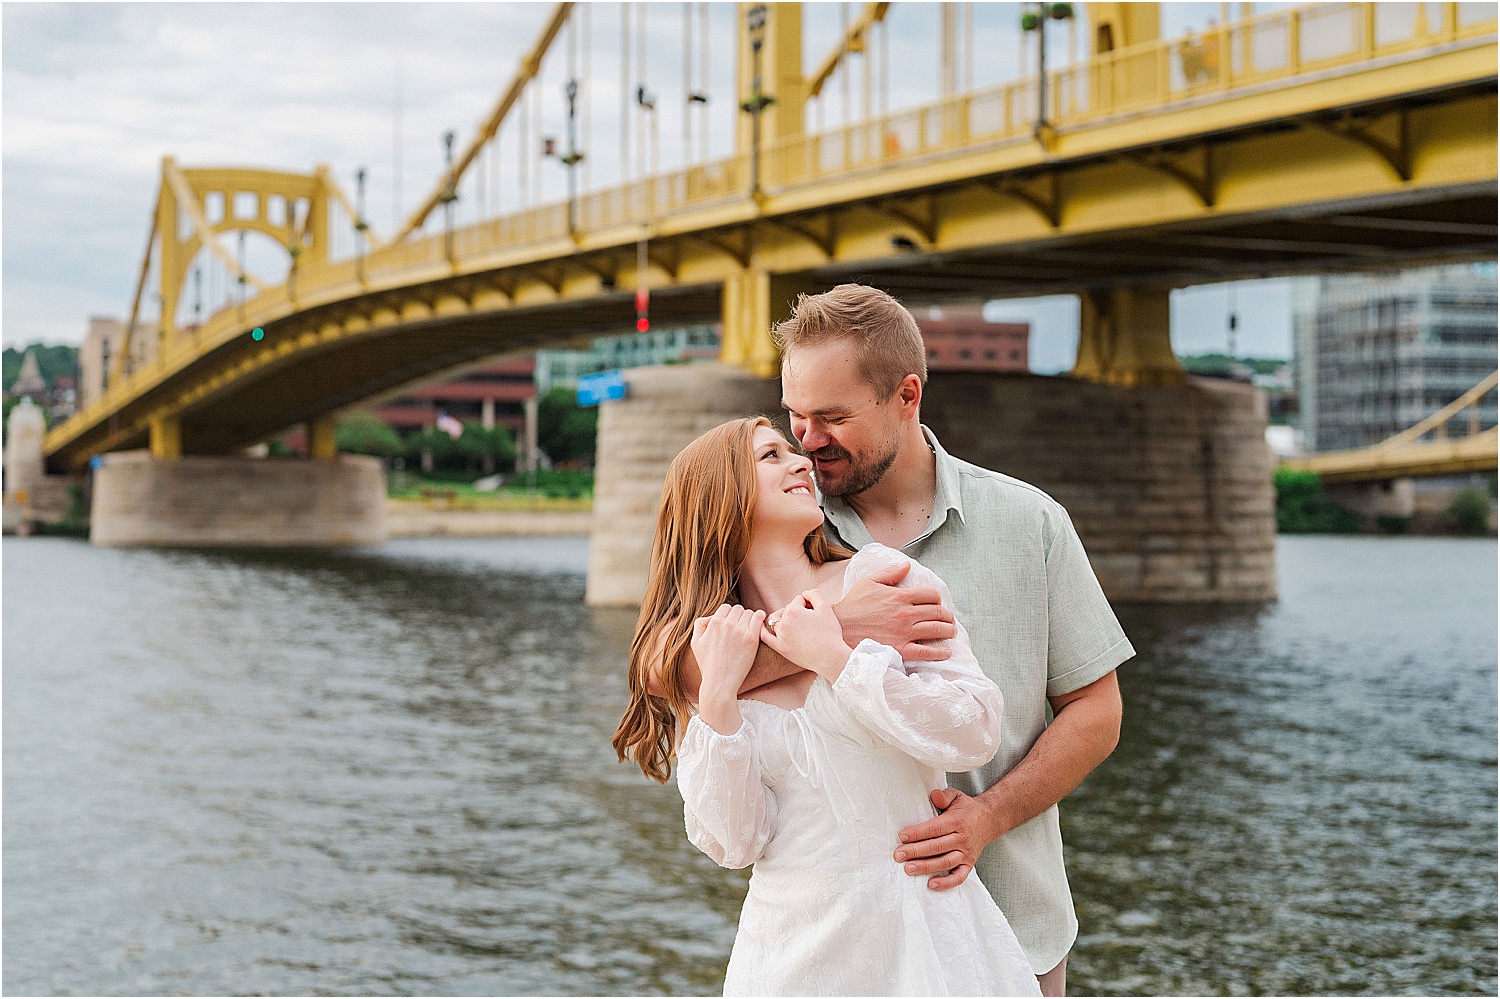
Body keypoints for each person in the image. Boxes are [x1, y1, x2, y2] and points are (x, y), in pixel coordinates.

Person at [756, 283, 1135, 996]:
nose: (807, 441)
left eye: (833, 416)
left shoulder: (1032, 523)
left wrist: (986, 817)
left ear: (907, 395)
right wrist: (838, 631)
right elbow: (675, 665)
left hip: (1013, 934)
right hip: (839, 955)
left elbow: (1098, 710)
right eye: (795, 415)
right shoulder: (776, 522)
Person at [612, 417, 1043, 997]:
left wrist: (839, 660)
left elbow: (973, 731)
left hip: (924, 942)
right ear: (720, 500)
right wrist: (717, 697)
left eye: (790, 452)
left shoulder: (885, 578)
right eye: (770, 457)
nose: (798, 461)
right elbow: (735, 844)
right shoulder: (714, 646)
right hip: (791, 960)